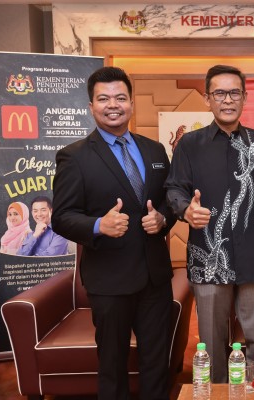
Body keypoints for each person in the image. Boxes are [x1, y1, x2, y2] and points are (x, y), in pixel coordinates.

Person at [51, 66, 176, 400]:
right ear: (91, 106)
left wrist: (163, 218)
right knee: (112, 364)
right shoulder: (74, 157)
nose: (113, 105)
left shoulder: (154, 150)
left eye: (120, 98)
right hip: (109, 280)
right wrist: (98, 225)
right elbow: (61, 217)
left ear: (131, 103)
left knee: (156, 364)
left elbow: (169, 200)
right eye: (103, 99)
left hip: (154, 278)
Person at [164, 64, 254, 383]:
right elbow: (174, 188)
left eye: (234, 92)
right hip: (208, 257)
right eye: (219, 93)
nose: (228, 99)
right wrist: (185, 210)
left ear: (245, 97)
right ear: (207, 99)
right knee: (211, 347)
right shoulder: (189, 144)